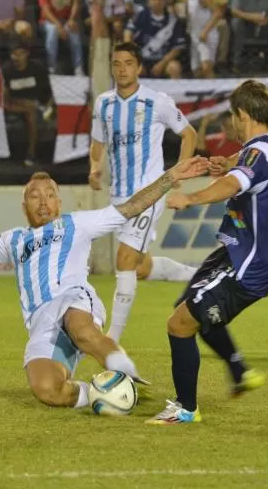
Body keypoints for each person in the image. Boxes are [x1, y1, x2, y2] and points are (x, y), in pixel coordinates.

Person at [0, 157, 211, 408]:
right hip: (41, 321)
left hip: (73, 298)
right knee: (46, 390)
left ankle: (126, 374)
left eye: (50, 194)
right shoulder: (15, 240)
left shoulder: (77, 223)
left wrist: (170, 177)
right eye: (34, 196)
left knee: (80, 327)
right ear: (24, 207)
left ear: (59, 203)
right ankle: (103, 394)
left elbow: (130, 207)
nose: (43, 201)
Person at [146, 79, 268, 426]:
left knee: (179, 325)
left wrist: (191, 198)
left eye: (232, 116)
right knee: (189, 310)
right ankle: (239, 370)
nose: (231, 122)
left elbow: (235, 184)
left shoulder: (257, 154)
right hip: (238, 257)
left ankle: (186, 408)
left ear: (242, 115)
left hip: (247, 266)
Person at [88, 41, 198, 343]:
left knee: (123, 259)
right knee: (139, 266)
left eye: (127, 63)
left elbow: (189, 134)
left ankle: (112, 338)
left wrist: (179, 172)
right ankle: (197, 275)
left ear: (138, 67)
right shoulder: (104, 104)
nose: (121, 69)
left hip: (149, 193)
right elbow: (98, 143)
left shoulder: (156, 101)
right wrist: (95, 168)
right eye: (116, 64)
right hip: (119, 197)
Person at [2, 39, 52, 166]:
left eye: (20, 53)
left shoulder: (37, 68)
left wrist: (47, 106)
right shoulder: (7, 70)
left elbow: (49, 91)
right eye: (14, 54)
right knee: (28, 108)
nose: (17, 57)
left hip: (35, 105)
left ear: (27, 54)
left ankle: (31, 153)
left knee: (31, 112)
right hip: (13, 105)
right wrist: (22, 102)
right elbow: (4, 98)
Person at [124, 0, 185, 78]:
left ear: (165, 1)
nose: (157, 2)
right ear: (148, 1)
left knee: (174, 67)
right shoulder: (140, 16)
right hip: (142, 59)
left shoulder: (173, 21)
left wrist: (162, 64)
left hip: (163, 61)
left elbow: (177, 49)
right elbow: (127, 36)